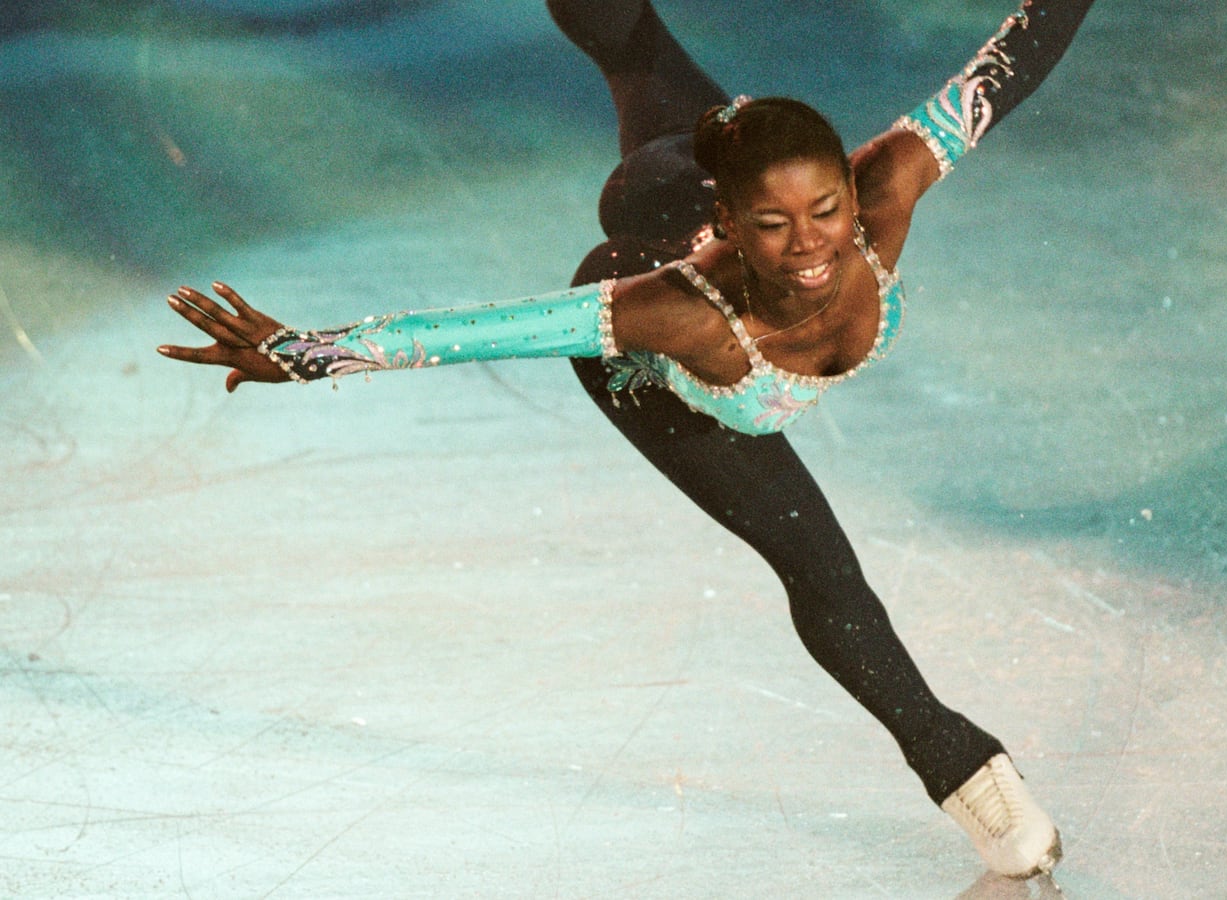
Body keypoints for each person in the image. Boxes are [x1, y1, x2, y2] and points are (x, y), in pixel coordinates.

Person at [159, 0, 1095, 878]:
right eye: (774, 225)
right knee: (816, 561)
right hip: (644, 327)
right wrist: (306, 354)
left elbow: (1013, 62)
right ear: (733, 224)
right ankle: (964, 770)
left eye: (825, 212)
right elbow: (477, 332)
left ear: (853, 191)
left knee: (632, 40)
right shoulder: (681, 316)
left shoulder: (884, 182)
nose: (811, 246)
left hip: (686, 168)